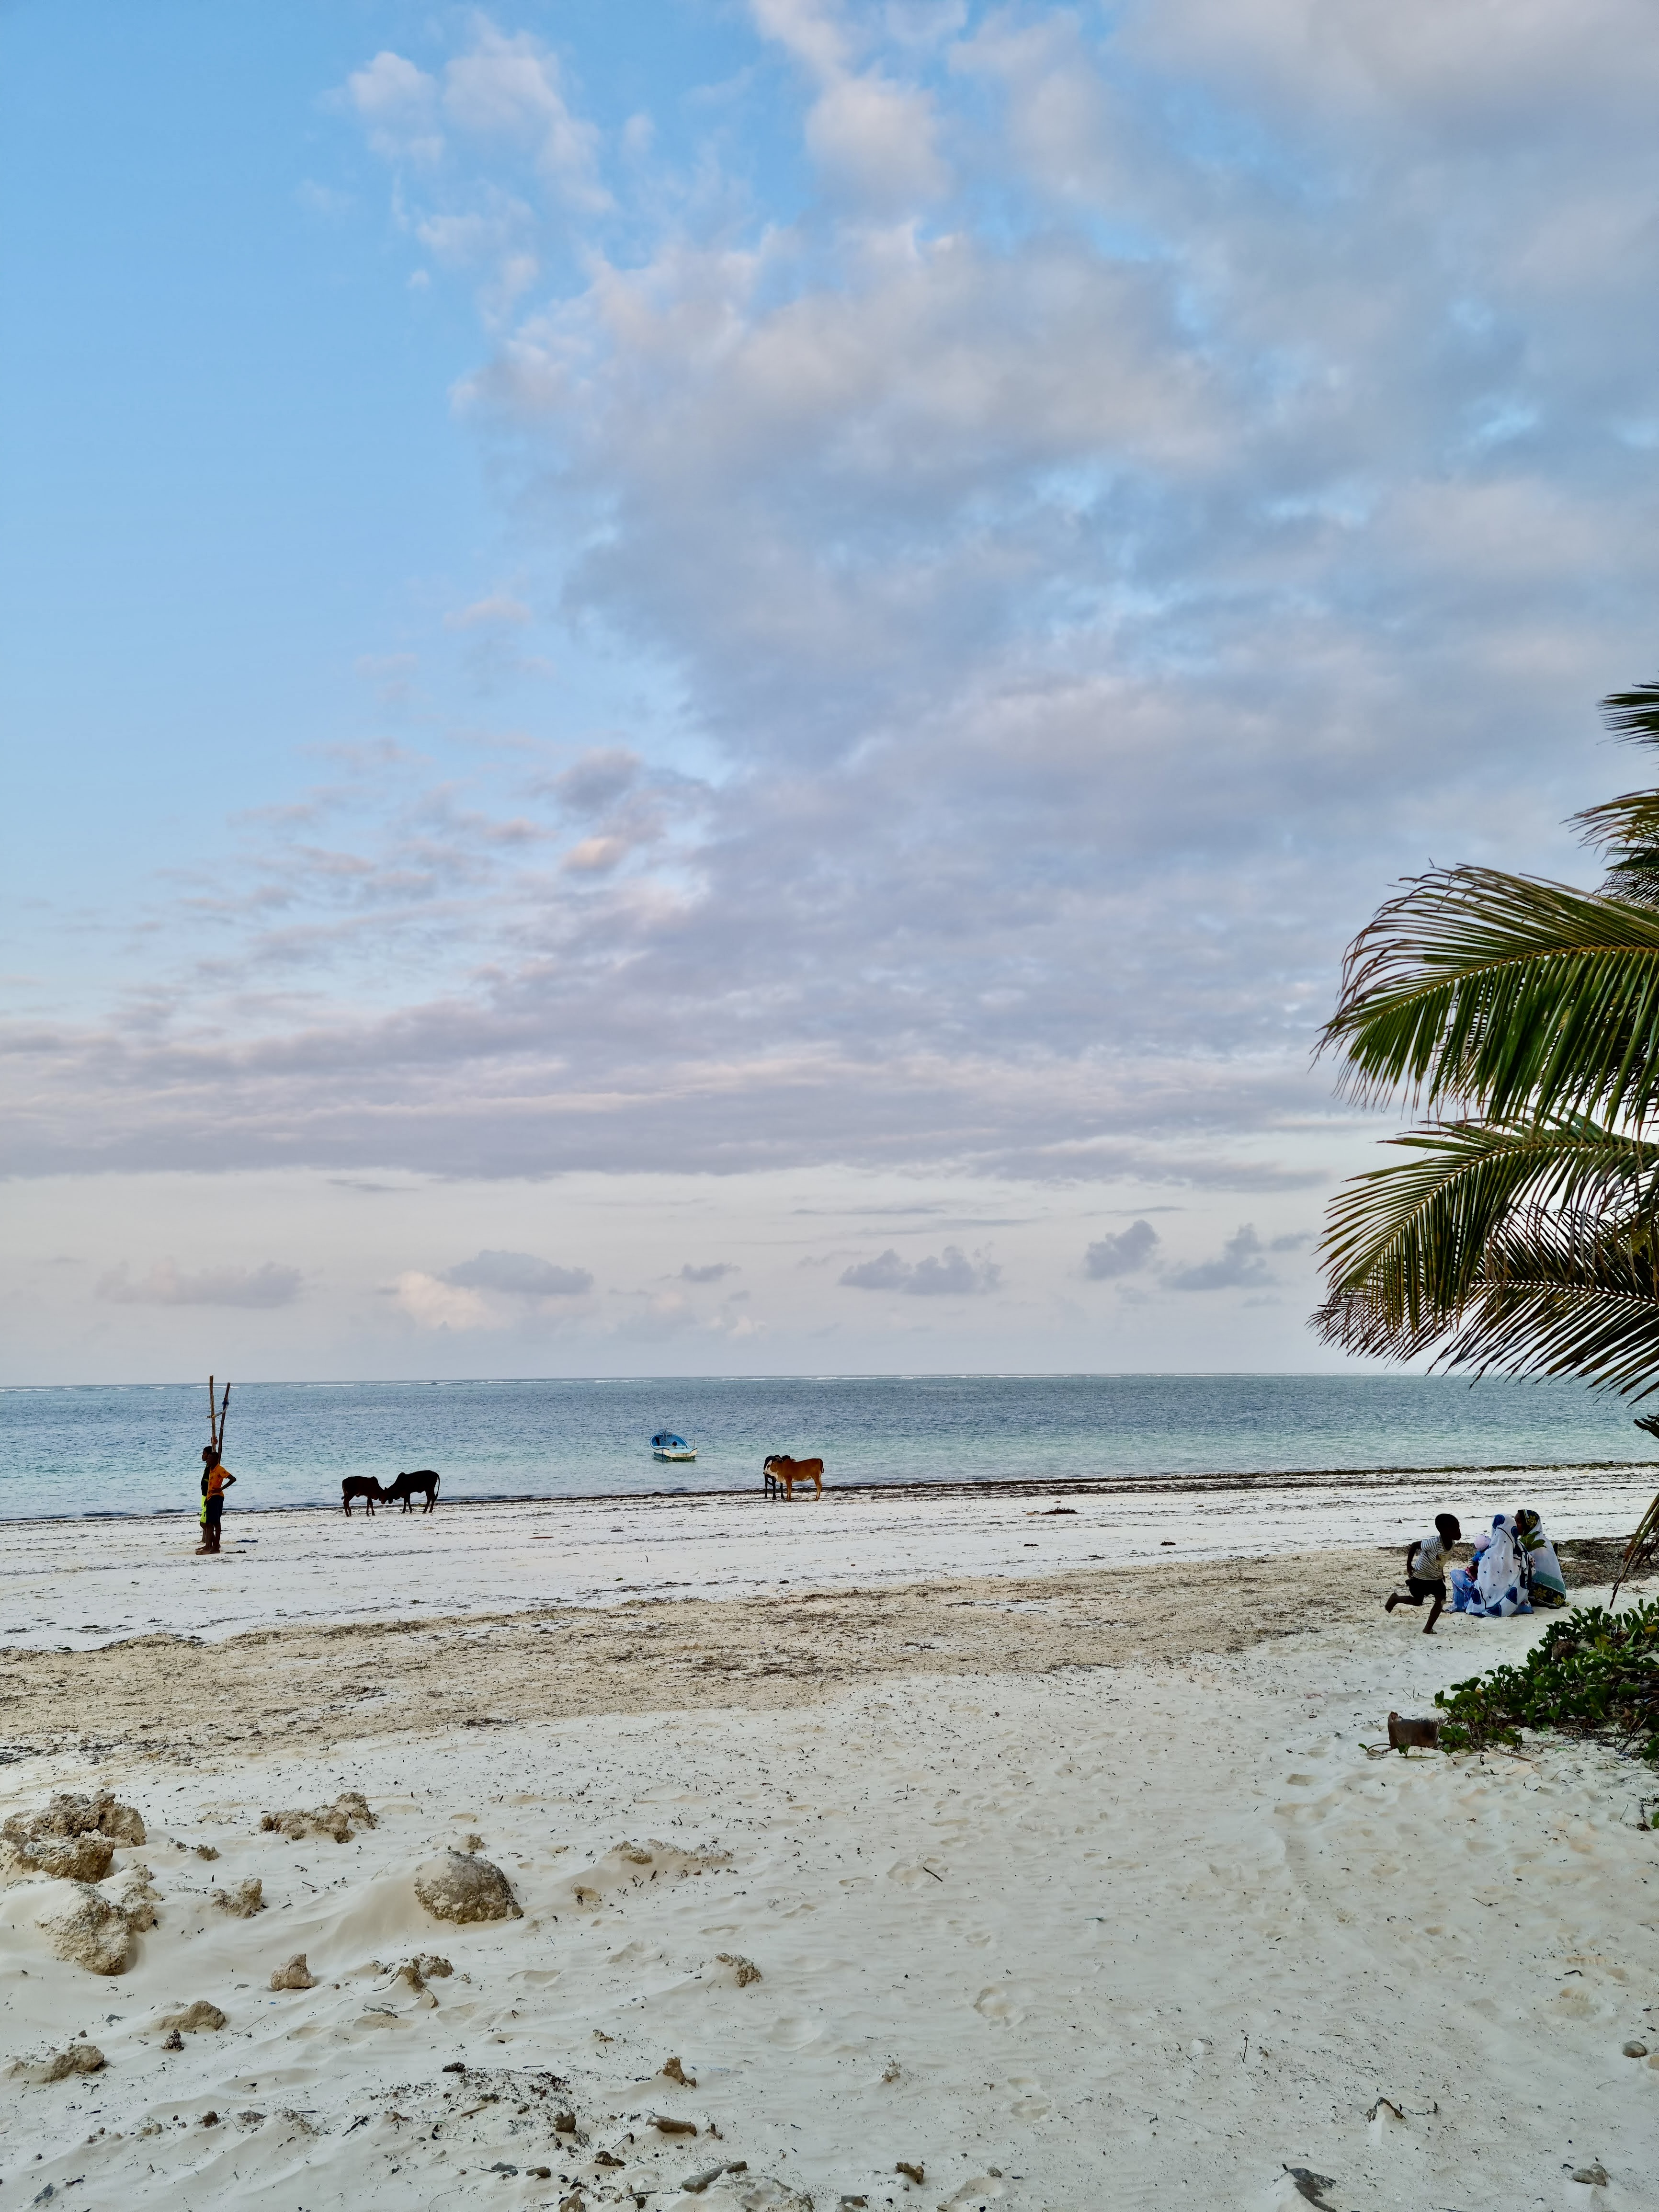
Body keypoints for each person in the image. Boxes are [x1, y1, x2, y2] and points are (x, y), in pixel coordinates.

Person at [1386, 1513, 1461, 1634]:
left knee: (1441, 1601)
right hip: (1420, 1578)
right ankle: (1396, 1599)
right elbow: (1415, 1545)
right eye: (1456, 1529)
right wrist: (1409, 1566)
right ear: (1445, 1531)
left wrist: (1441, 1572)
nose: (1459, 1532)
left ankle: (1428, 1628)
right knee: (1418, 1602)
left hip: (1436, 1579)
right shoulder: (1433, 1543)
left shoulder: (1452, 1544)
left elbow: (1439, 1559)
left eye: (1459, 1528)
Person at [1450, 1512, 1531, 1617]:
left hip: (1492, 1596)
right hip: (1518, 1597)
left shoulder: (1492, 1553)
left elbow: (1484, 1579)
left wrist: (1472, 1570)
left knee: (1455, 1574)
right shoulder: (1522, 1550)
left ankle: (1460, 1605)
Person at [1514, 1507, 1568, 1607]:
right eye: (1515, 1521)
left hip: (1551, 1595)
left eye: (1519, 1522)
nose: (1515, 1525)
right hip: (1557, 1594)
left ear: (1529, 1524)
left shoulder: (1536, 1544)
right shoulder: (1536, 1540)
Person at [196, 1445, 235, 1556]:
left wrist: (221, 1489)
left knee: (215, 1523)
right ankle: (209, 1546)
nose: (207, 1460)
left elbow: (233, 1479)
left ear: (215, 1460)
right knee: (208, 1523)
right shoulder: (211, 1470)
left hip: (217, 1497)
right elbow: (209, 1486)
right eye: (207, 1458)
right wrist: (207, 1499)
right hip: (210, 1498)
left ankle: (215, 1547)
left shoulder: (219, 1469)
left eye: (209, 1458)